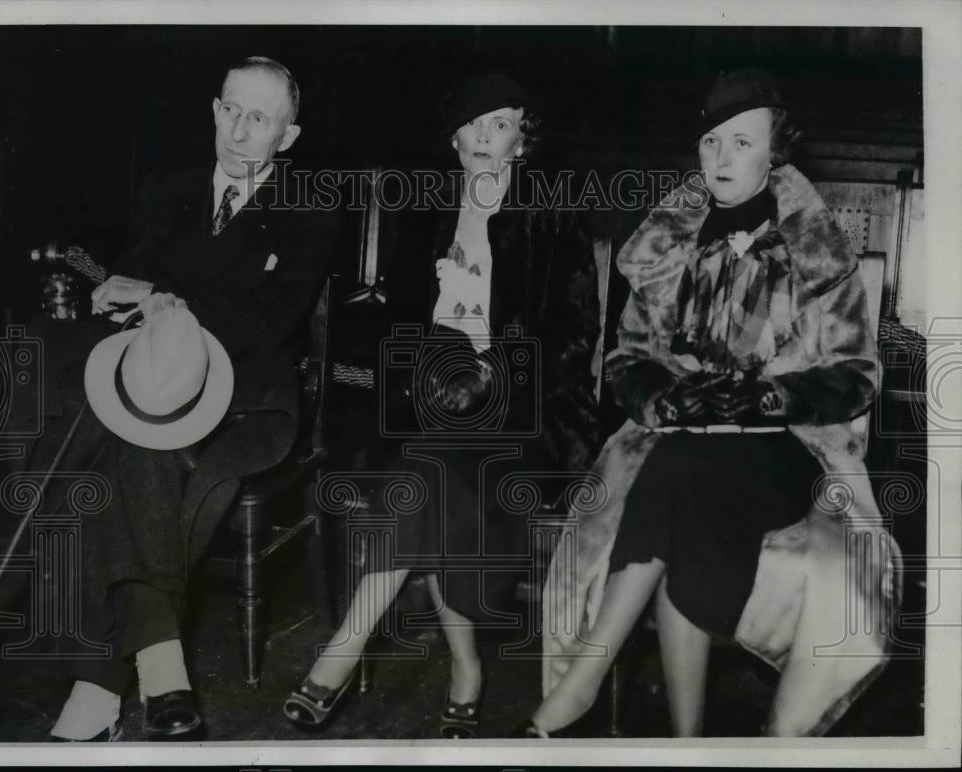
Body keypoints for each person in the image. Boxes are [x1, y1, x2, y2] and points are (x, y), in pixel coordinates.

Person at [528, 69, 901, 738]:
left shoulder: (817, 250)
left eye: (741, 143)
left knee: (680, 475)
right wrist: (662, 396)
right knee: (684, 480)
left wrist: (768, 394)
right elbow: (625, 361)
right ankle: (686, 744)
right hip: (683, 439)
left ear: (773, 152)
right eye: (711, 143)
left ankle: (584, 684)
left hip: (787, 444)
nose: (722, 159)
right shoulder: (666, 246)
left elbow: (857, 374)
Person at [283, 71, 601, 738]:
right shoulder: (429, 213)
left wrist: (492, 368)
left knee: (422, 477)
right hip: (433, 404)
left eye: (502, 123)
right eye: (473, 124)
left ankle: (342, 650)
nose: (486, 136)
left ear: (522, 139)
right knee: (429, 468)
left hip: (530, 410)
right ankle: (466, 669)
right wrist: (425, 361)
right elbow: (396, 321)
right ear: (454, 139)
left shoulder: (554, 213)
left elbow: (573, 337)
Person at [44, 56, 340, 741]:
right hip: (156, 380)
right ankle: (158, 660)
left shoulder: (311, 205)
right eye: (230, 109)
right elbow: (125, 286)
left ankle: (99, 683)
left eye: (259, 117)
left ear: (287, 137)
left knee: (122, 443)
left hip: (249, 397)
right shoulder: (163, 190)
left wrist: (154, 296)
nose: (239, 130)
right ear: (213, 110)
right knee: (126, 429)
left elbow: (271, 322)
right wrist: (124, 294)